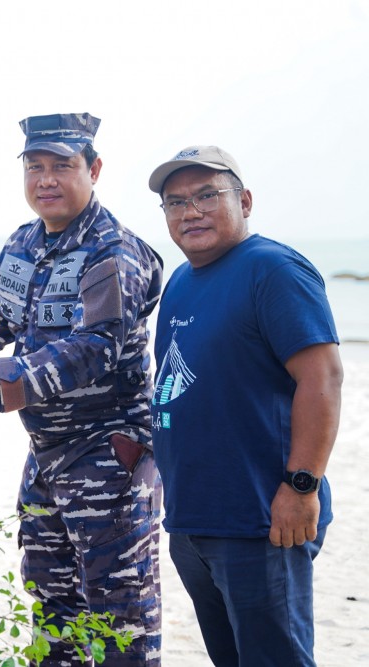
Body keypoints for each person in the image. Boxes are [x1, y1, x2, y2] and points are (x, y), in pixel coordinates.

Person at [0, 113, 164, 665]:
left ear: (94, 169)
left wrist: (1, 374)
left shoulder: (114, 252)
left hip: (109, 457)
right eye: (35, 167)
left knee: (118, 612)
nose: (46, 179)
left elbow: (95, 348)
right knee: (51, 604)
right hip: (46, 458)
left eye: (62, 166)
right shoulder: (21, 245)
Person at [148, 146, 343, 666]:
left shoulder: (273, 269)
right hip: (192, 517)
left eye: (207, 196)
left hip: (260, 517)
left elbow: (322, 379)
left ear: (245, 200)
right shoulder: (182, 282)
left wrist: (302, 487)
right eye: (175, 202)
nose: (190, 212)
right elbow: (180, 380)